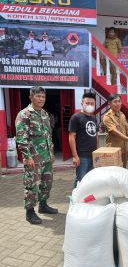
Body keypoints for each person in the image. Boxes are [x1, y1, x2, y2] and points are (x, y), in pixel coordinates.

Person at [15, 86, 58, 225]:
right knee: (31, 185)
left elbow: (48, 136)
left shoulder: (44, 114)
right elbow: (22, 138)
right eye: (38, 96)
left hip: (46, 157)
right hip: (33, 158)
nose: (41, 99)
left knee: (47, 183)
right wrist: (27, 157)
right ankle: (30, 212)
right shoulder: (24, 114)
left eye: (43, 96)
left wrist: (51, 153)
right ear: (31, 97)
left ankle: (43, 205)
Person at [68, 92, 98, 188]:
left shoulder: (94, 118)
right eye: (87, 103)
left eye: (92, 104)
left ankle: (86, 200)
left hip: (93, 155)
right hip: (82, 156)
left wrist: (97, 152)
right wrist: (75, 156)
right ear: (82, 103)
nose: (90, 105)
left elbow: (95, 135)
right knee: (80, 179)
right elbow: (71, 137)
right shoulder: (76, 117)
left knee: (90, 179)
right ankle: (75, 200)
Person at [103, 93, 128, 168]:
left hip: (124, 150)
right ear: (109, 103)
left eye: (119, 101)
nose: (118, 104)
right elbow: (116, 133)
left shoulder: (122, 115)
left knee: (123, 170)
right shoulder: (107, 117)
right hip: (113, 150)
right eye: (115, 101)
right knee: (115, 172)